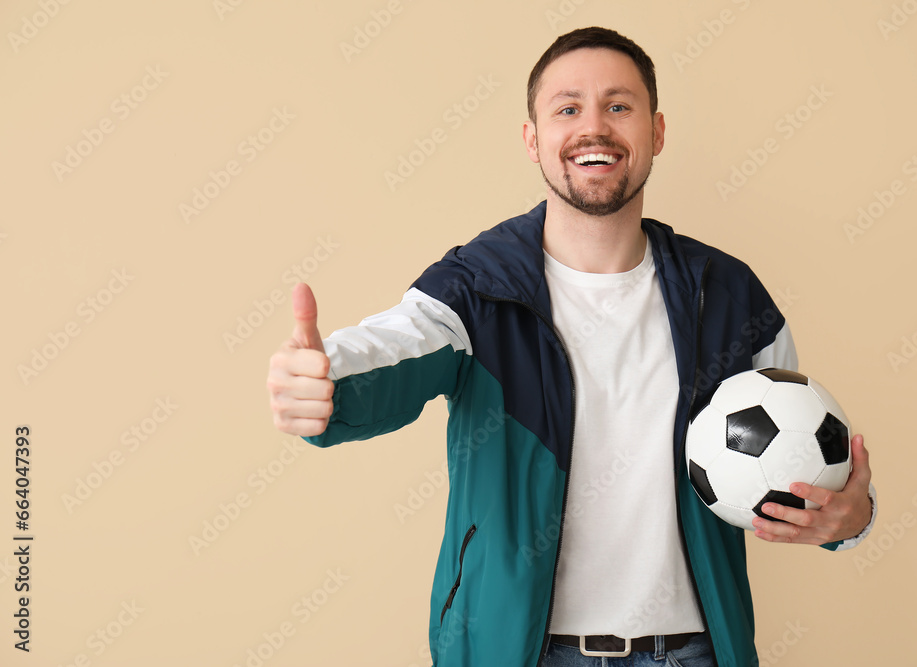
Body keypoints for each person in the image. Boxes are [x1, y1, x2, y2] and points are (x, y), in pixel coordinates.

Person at [266, 26, 876, 667]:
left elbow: (794, 466)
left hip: (695, 653)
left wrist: (852, 519)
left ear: (656, 132)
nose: (595, 128)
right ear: (533, 139)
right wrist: (324, 382)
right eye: (567, 108)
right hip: (518, 653)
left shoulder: (729, 295)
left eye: (619, 106)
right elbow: (391, 349)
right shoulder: (476, 289)